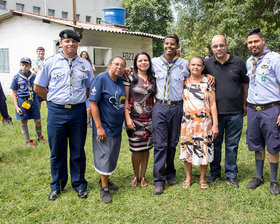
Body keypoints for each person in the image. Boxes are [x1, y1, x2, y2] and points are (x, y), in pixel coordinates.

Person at [34, 29, 94, 200]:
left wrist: (83, 101)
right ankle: (57, 185)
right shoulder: (51, 62)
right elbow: (38, 86)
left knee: (77, 150)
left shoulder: (85, 64)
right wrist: (51, 100)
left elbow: (90, 87)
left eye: (74, 41)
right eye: (67, 41)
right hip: (56, 111)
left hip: (78, 112)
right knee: (57, 151)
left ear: (77, 44)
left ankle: (79, 184)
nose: (70, 44)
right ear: (61, 43)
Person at [204, 35, 249, 188]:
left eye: (221, 45)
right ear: (211, 48)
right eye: (215, 46)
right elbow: (195, 76)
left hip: (235, 111)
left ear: (227, 45)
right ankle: (215, 173)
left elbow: (245, 84)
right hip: (214, 113)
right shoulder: (207, 63)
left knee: (232, 145)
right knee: (214, 144)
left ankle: (231, 175)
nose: (219, 49)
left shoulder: (238, 62)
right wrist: (206, 74)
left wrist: (244, 103)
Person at [152, 34, 189, 195]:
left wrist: (208, 76)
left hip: (177, 107)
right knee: (160, 144)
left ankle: (170, 173)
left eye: (172, 44)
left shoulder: (184, 64)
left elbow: (195, 76)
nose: (169, 46)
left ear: (177, 46)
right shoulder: (154, 62)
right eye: (167, 43)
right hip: (160, 106)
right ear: (163, 45)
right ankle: (159, 180)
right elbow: (140, 72)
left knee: (172, 143)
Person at [245, 28, 280, 195]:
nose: (253, 45)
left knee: (273, 145)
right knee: (257, 144)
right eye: (250, 42)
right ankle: (259, 176)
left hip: (271, 109)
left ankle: (274, 180)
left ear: (263, 41)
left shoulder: (275, 59)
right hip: (253, 109)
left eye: (256, 41)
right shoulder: (248, 61)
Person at [89, 56, 126, 203]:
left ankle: (105, 181)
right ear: (109, 64)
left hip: (116, 126)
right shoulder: (101, 79)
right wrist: (99, 127)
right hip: (104, 126)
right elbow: (93, 103)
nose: (119, 67)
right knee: (104, 156)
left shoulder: (120, 80)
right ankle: (104, 189)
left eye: (122, 65)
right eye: (116, 64)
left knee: (111, 155)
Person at [180, 56, 218, 189]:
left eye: (198, 65)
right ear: (189, 66)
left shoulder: (208, 82)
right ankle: (188, 177)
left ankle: (202, 179)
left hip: (204, 122)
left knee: (204, 149)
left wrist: (215, 124)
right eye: (193, 65)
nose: (195, 67)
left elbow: (213, 104)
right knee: (187, 148)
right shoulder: (184, 81)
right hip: (188, 123)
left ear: (203, 67)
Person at [123, 52, 156, 188]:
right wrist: (127, 117)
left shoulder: (153, 78)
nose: (143, 63)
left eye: (146, 60)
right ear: (135, 63)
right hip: (134, 118)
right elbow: (125, 99)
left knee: (146, 148)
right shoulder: (130, 76)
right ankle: (135, 176)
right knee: (136, 149)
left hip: (150, 118)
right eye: (140, 60)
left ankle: (143, 176)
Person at [10, 57, 46, 147]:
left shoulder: (34, 76)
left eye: (26, 65)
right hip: (22, 101)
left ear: (30, 66)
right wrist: (17, 107)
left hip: (33, 100)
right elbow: (14, 93)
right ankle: (27, 140)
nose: (24, 67)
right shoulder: (16, 78)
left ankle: (39, 136)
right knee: (24, 121)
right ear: (20, 65)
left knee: (38, 120)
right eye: (22, 65)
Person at [80, 51, 96, 128]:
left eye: (86, 55)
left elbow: (93, 71)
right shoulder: (78, 62)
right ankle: (85, 122)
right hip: (81, 91)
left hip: (88, 89)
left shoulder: (89, 63)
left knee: (89, 107)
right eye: (83, 55)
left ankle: (88, 122)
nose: (84, 56)